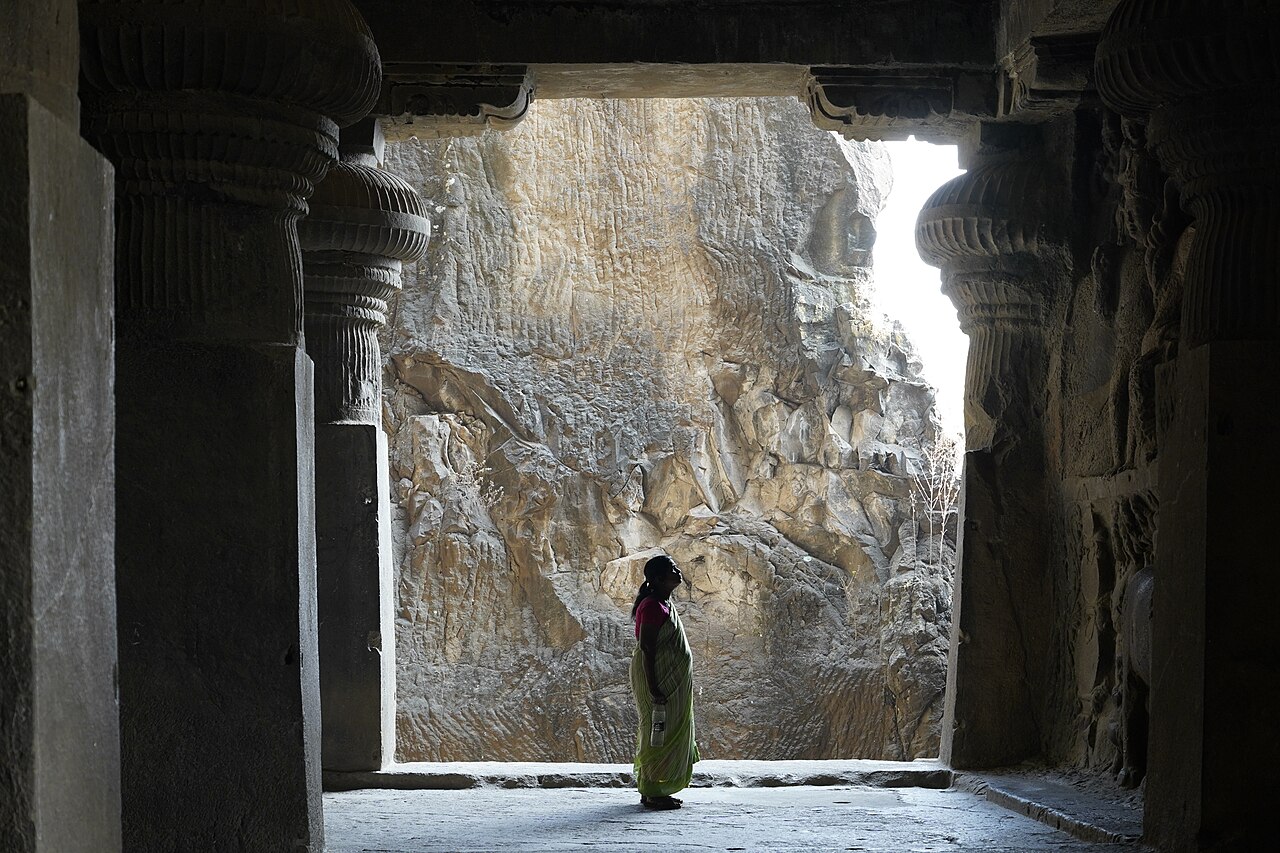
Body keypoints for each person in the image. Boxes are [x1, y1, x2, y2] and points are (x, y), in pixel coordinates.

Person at [630, 554, 700, 810]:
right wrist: (653, 686)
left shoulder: (663, 604)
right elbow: (647, 648)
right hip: (657, 678)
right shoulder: (651, 606)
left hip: (669, 681)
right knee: (656, 732)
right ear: (658, 578)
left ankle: (657, 788)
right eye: (672, 569)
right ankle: (652, 790)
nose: (678, 571)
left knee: (666, 730)